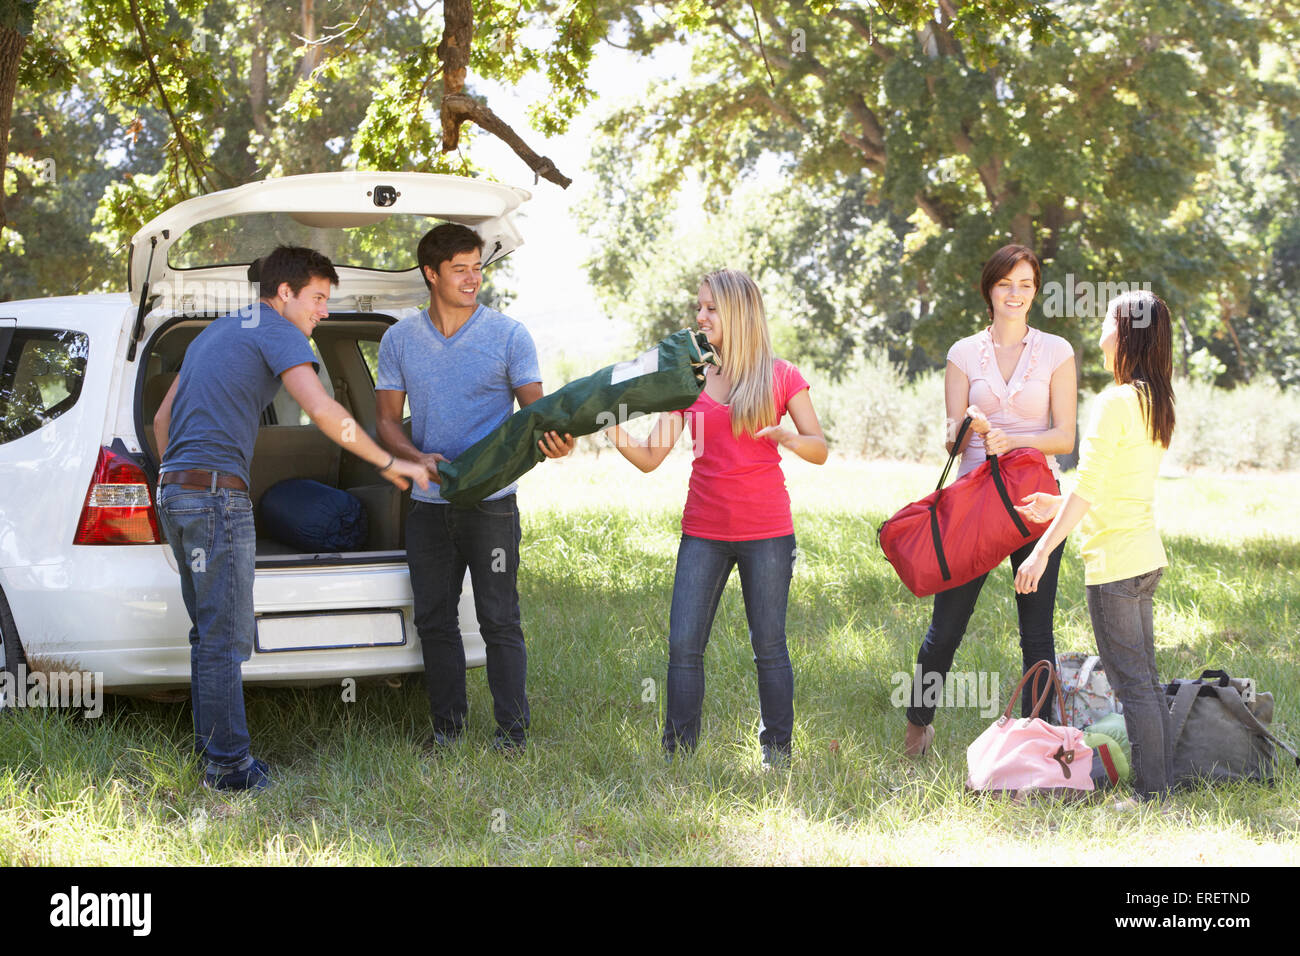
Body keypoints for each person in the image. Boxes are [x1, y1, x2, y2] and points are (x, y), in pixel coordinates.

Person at [154, 246, 431, 792]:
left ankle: (215, 752)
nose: (324, 311)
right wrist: (387, 460)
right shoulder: (279, 329)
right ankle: (230, 770)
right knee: (225, 640)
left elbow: (164, 418)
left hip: (176, 495)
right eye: (319, 299)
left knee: (208, 635)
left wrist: (175, 478)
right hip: (215, 499)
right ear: (285, 294)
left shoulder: (217, 331)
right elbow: (322, 409)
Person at [604, 269, 827, 767]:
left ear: (738, 314)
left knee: (769, 645)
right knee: (684, 645)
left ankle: (778, 755)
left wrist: (788, 438)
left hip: (768, 532)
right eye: (698, 307)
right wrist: (606, 423)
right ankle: (679, 754)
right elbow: (649, 457)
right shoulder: (691, 378)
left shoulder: (781, 376)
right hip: (703, 532)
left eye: (710, 309)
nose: (700, 317)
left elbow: (820, 449)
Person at [375, 223, 573, 754]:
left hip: (491, 507)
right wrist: (417, 457)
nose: (472, 279)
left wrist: (556, 440)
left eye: (477, 267)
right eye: (459, 269)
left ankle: (512, 734)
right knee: (435, 621)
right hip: (427, 507)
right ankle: (448, 730)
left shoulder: (509, 335)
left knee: (499, 619)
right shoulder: (399, 340)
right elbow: (387, 423)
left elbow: (538, 413)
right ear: (431, 274)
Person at [903, 244, 1077, 757]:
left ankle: (1037, 745)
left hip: (1036, 504)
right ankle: (918, 725)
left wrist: (1017, 442)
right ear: (990, 290)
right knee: (946, 627)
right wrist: (971, 426)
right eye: (1006, 284)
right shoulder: (962, 354)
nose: (1015, 294)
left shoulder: (1057, 352)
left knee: (1036, 634)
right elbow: (951, 439)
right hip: (976, 504)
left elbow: (1065, 436)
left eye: (1025, 284)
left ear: (1035, 291)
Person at [1014, 290, 1176, 803]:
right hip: (1144, 556)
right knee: (1145, 682)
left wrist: (1040, 550)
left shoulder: (1115, 401)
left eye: (1108, 322)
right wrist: (1054, 502)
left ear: (1125, 334)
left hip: (1115, 565)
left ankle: (1152, 794)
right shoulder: (1156, 399)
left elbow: (1090, 487)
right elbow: (1103, 483)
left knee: (1132, 687)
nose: (1101, 331)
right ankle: (1160, 784)